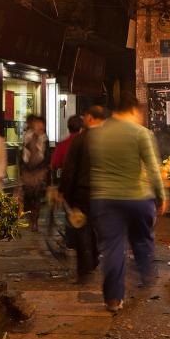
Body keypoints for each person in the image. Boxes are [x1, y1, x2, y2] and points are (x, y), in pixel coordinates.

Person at [89, 92, 168, 313]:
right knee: (142, 239)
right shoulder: (141, 133)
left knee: (113, 248)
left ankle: (113, 299)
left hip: (104, 199)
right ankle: (145, 276)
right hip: (137, 198)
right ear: (133, 110)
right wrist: (161, 196)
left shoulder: (98, 133)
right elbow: (153, 168)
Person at [58, 106, 107, 283]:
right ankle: (94, 259)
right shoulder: (109, 139)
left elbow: (69, 169)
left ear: (90, 118)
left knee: (81, 229)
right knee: (97, 228)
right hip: (105, 192)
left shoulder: (80, 140)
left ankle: (85, 267)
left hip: (82, 193)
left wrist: (63, 191)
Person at [20, 115, 49, 231]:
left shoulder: (44, 139)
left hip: (39, 173)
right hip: (27, 172)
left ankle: (34, 221)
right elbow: (22, 155)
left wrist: (45, 169)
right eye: (37, 124)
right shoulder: (27, 137)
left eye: (41, 125)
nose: (39, 127)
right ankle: (31, 218)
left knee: (36, 198)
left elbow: (47, 157)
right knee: (28, 197)